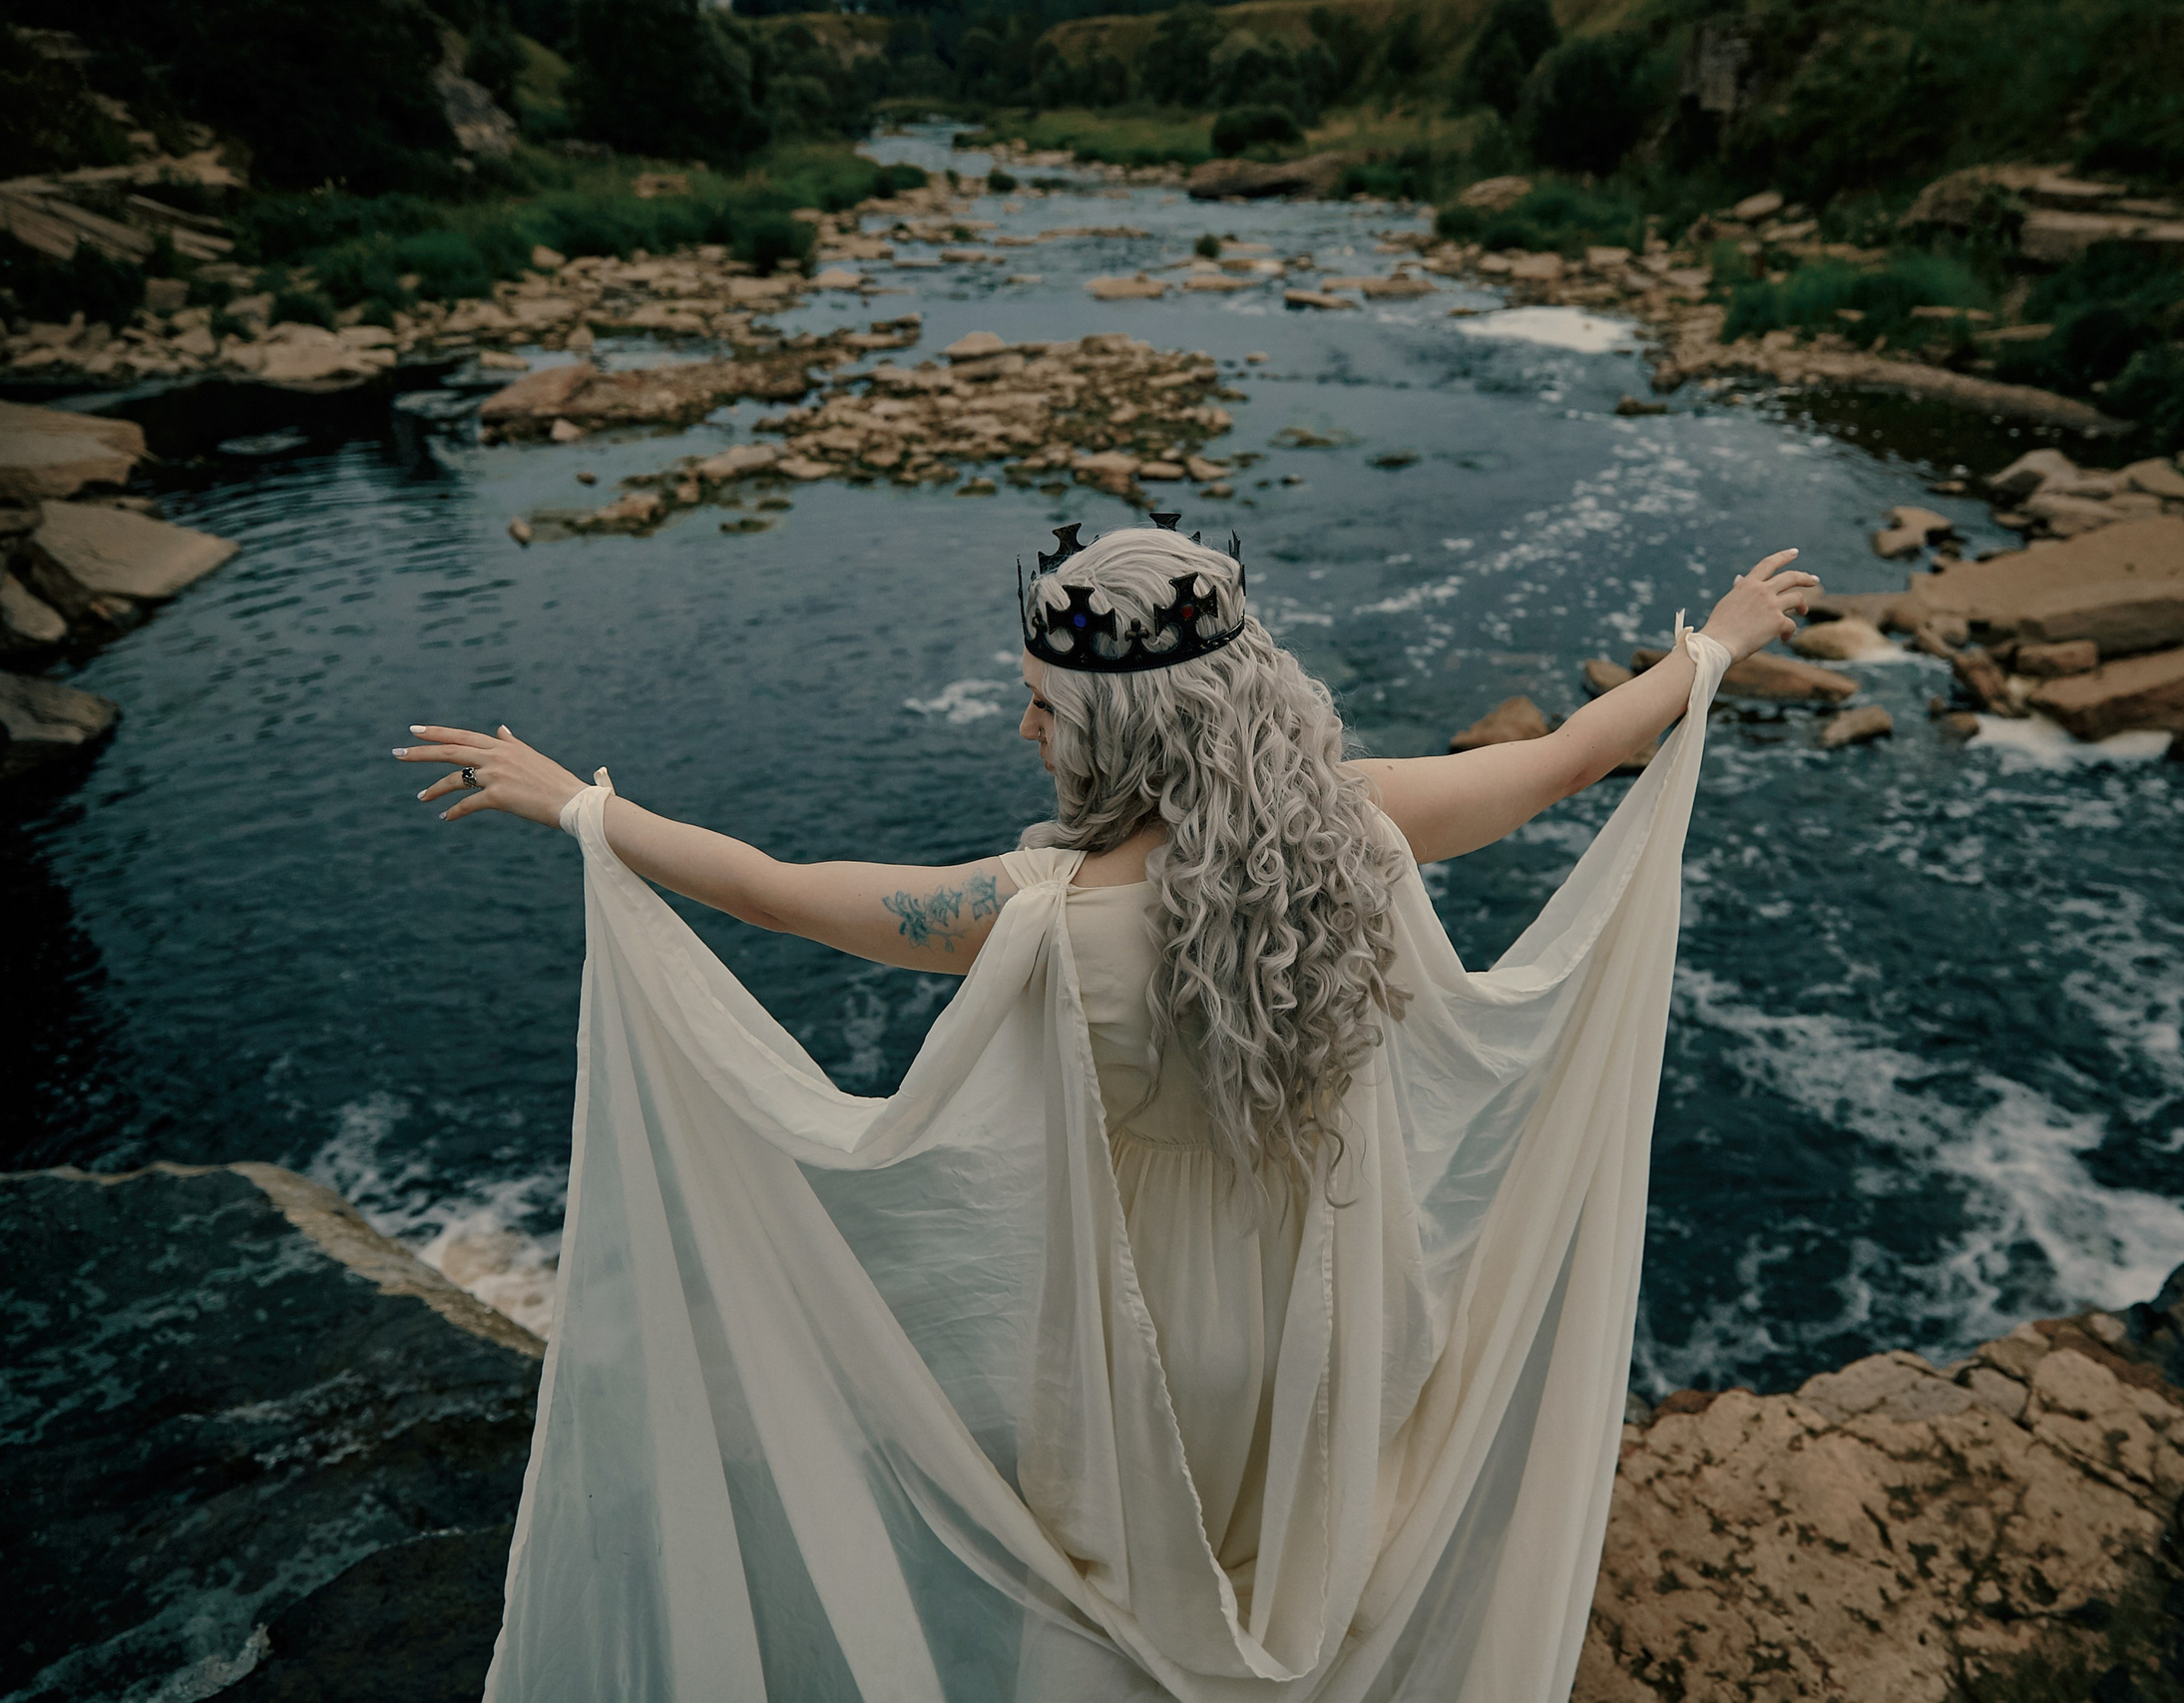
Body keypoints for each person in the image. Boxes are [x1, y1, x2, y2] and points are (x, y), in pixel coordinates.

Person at [393, 522, 1815, 1702]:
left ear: (1124, 728)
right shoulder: (1365, 827)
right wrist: (1718, 643)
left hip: (1145, 1327)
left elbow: (775, 887)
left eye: (1044, 705)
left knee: (1123, 1625)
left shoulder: (1042, 917)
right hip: (1337, 1285)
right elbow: (1574, 755)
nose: (1023, 726)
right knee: (1311, 1568)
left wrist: (582, 807)